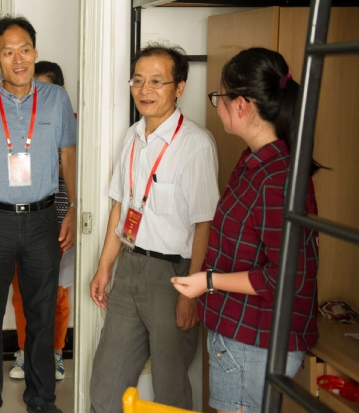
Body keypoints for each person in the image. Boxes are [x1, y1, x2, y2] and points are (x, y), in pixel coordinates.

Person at [172, 47, 319, 413]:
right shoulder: (255, 161)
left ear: (241, 105)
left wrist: (208, 281)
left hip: (254, 343)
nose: (216, 106)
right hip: (241, 337)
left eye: (219, 97)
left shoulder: (277, 179)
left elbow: (283, 278)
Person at [89, 42, 219, 413]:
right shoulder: (133, 136)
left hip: (174, 276)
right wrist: (104, 268)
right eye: (138, 80)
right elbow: (121, 206)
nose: (145, 89)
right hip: (129, 268)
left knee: (170, 389)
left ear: (179, 88)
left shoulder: (195, 144)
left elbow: (205, 225)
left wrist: (189, 294)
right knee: (107, 385)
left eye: (157, 81)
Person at [0, 16, 77, 413]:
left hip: (43, 219)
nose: (19, 59)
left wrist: (73, 209)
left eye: (25, 49)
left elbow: (68, 157)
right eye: (8, 52)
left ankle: (41, 399)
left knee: (41, 313)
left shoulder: (57, 99)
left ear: (35, 51)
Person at [9, 61, 72, 382]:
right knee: (22, 293)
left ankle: (56, 352)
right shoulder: (20, 122)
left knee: (56, 294)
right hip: (23, 220)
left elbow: (74, 169)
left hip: (59, 221)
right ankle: (25, 351)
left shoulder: (70, 124)